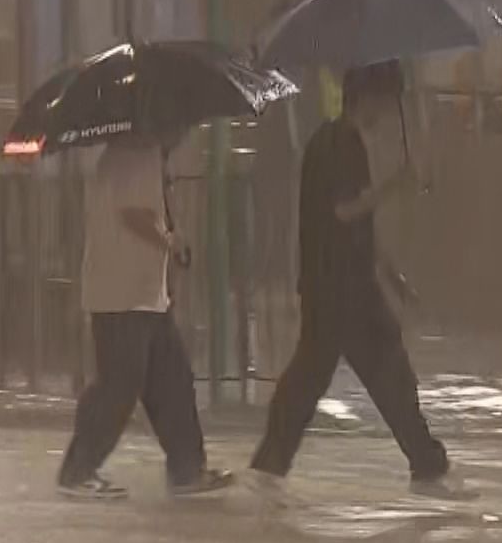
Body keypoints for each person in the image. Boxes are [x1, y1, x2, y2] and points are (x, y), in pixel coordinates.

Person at [247, 60, 467, 502]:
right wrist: (396, 184)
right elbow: (345, 210)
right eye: (385, 102)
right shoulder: (339, 145)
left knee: (331, 376)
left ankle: (271, 465)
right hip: (340, 288)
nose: (387, 113)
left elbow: (358, 225)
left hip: (342, 284)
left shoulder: (337, 143)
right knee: (377, 373)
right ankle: (426, 465)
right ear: (367, 99)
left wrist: (390, 274)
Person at [57, 128, 234, 500]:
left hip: (144, 295)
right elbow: (134, 215)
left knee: (172, 381)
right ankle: (78, 470)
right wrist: (170, 241)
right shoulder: (135, 156)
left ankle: (187, 468)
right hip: (121, 294)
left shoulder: (143, 156)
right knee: (118, 386)